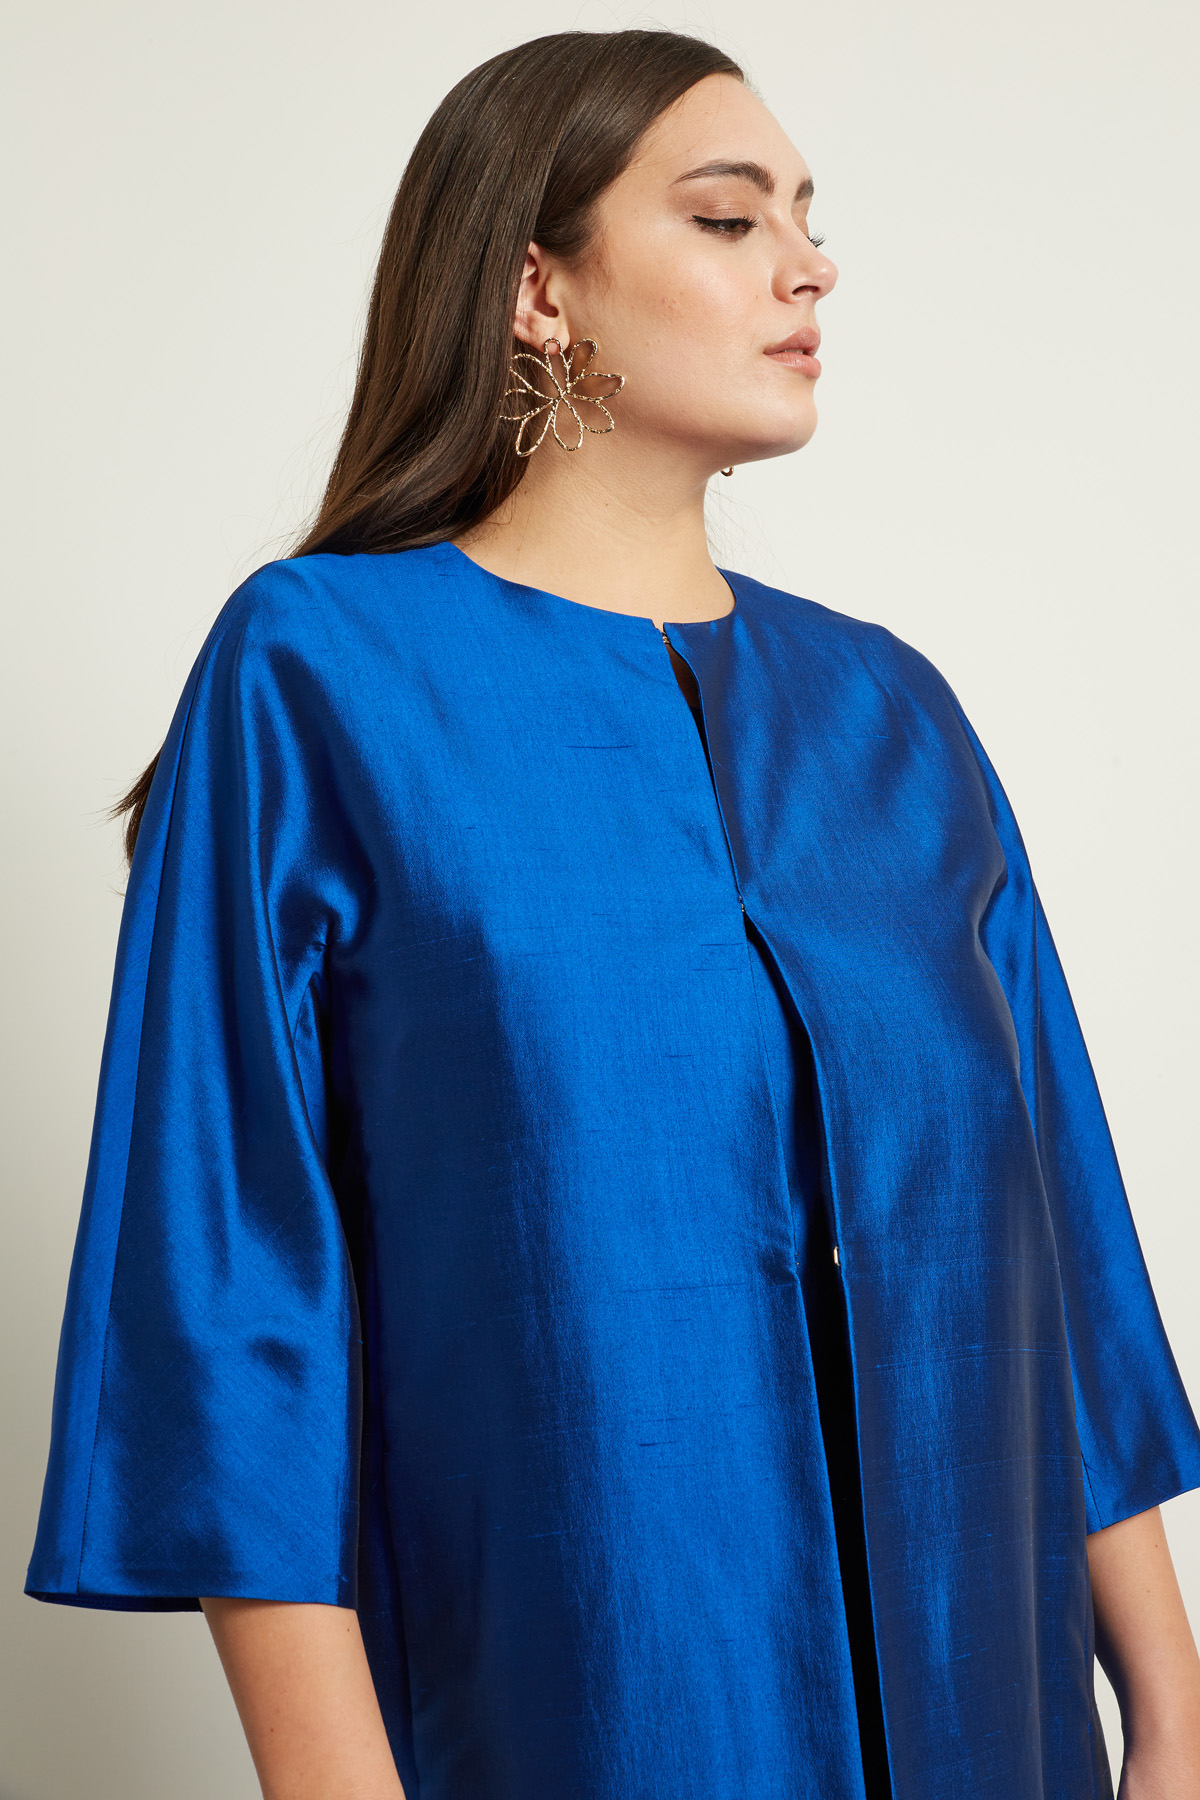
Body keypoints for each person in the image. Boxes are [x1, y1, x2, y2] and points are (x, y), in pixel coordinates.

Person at [24, 27, 1200, 1800]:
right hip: (592, 1715)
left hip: (996, 1724)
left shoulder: (894, 716)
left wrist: (1173, 1719)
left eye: (809, 217)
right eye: (729, 219)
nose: (809, 266)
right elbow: (231, 1289)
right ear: (537, 289)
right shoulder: (319, 675)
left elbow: (1059, 1237)